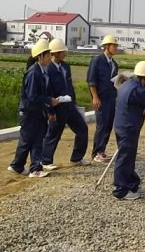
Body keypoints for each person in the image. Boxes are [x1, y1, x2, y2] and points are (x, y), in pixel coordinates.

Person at [113, 61, 145, 200]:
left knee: (127, 158)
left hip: (122, 125)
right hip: (128, 128)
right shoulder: (137, 90)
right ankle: (121, 190)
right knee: (125, 159)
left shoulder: (130, 84)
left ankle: (131, 183)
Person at [8, 39, 60, 178]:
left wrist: (49, 110)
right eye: (48, 54)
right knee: (29, 140)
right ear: (40, 56)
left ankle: (20, 166)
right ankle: (30, 168)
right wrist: (50, 101)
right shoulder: (34, 73)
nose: (50, 57)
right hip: (30, 112)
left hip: (37, 112)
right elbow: (32, 96)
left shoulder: (42, 72)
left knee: (34, 140)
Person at [41, 38, 90, 171]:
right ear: (55, 53)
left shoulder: (65, 66)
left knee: (82, 129)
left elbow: (69, 85)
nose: (65, 54)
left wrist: (73, 100)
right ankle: (46, 161)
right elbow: (47, 91)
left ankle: (77, 158)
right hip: (57, 107)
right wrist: (50, 111)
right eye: (62, 51)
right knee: (54, 133)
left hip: (69, 105)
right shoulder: (48, 69)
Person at [87, 35, 119, 163]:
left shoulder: (114, 64)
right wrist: (95, 97)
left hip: (111, 98)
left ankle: (102, 151)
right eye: (114, 46)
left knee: (108, 125)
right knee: (101, 125)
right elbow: (91, 80)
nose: (116, 48)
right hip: (101, 98)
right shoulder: (97, 61)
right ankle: (96, 153)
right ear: (106, 46)